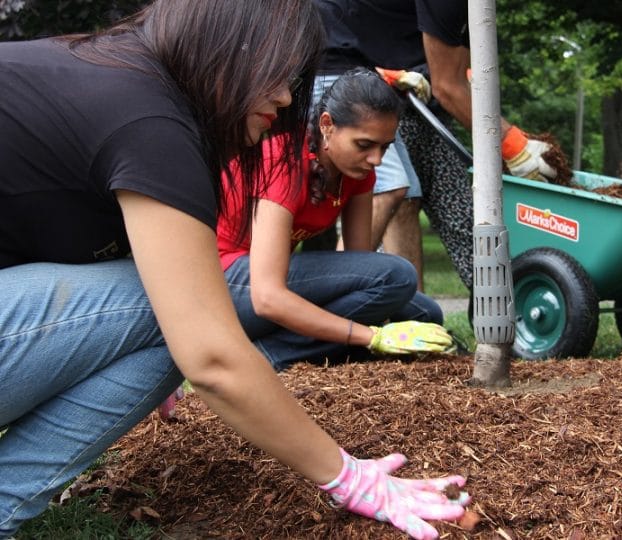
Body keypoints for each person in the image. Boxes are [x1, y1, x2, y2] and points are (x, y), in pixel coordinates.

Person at [0, 1, 470, 538]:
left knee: (175, 328)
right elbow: (214, 354)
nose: (286, 96)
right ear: (228, 44)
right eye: (277, 71)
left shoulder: (110, 78)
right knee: (188, 316)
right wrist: (350, 479)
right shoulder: (150, 118)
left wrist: (128, 345)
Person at [312, 0, 558, 293]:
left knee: (432, 202)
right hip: (358, 80)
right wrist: (513, 147)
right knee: (394, 193)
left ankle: (427, 311)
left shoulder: (475, 10)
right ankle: (359, 307)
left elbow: (458, 73)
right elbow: (447, 87)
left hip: (406, 89)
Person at [216, 67, 452, 372]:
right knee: (398, 277)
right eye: (364, 145)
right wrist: (370, 336)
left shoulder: (357, 172)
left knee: (425, 313)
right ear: (327, 125)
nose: (376, 159)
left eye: (385, 147)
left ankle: (328, 350)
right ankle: (268, 354)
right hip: (228, 286)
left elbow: (359, 263)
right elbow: (267, 297)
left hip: (268, 287)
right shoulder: (284, 162)